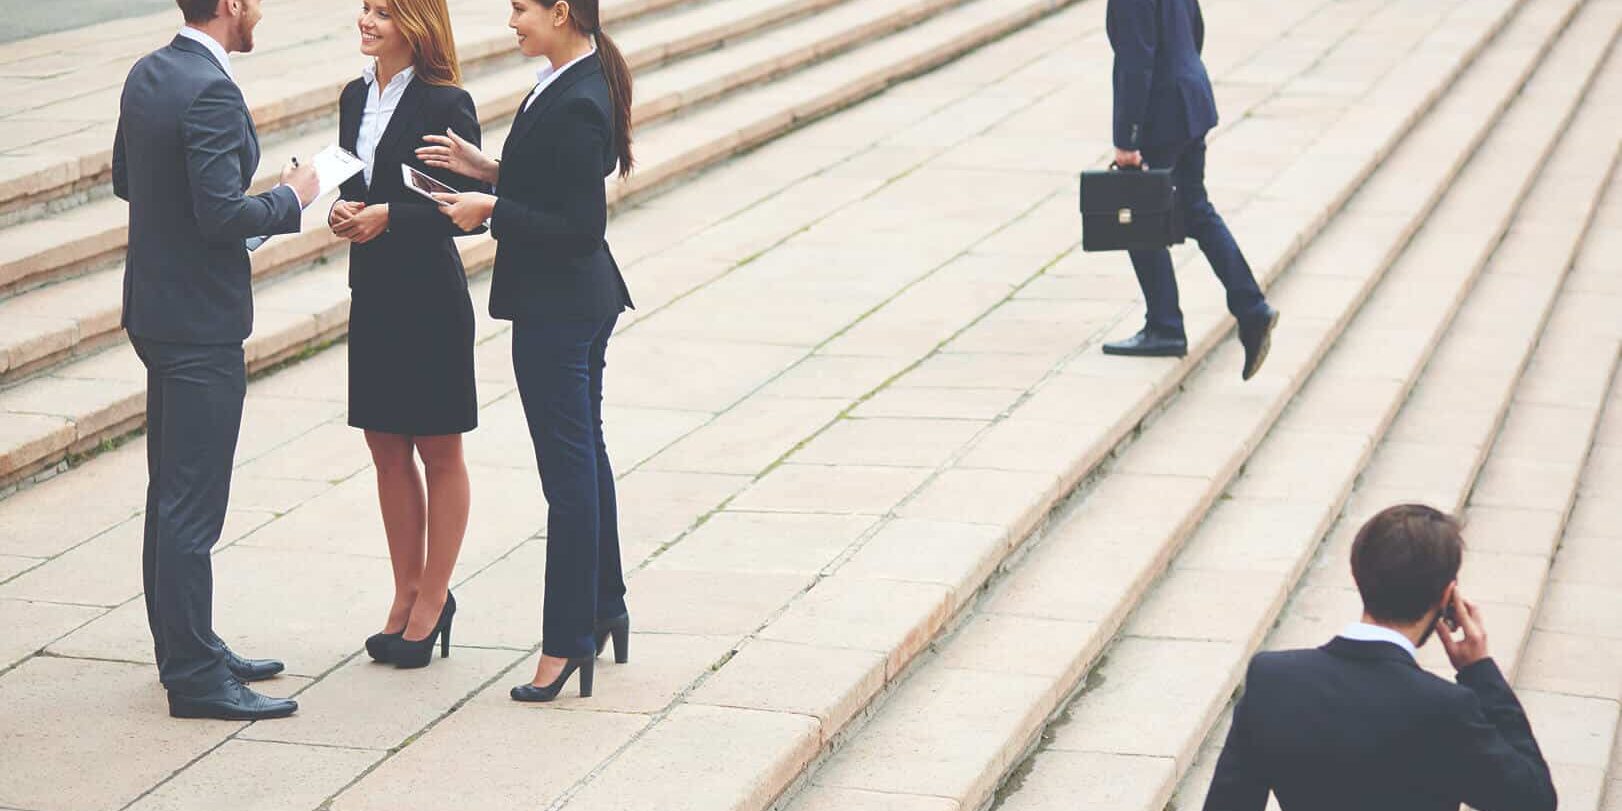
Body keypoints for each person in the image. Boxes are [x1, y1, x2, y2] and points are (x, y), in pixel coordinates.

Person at [420, 0, 634, 702]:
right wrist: (488, 169)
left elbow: (577, 224)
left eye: (520, 8)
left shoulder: (578, 97)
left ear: (560, 11)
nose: (511, 20)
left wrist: (490, 212)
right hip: (576, 300)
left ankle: (567, 642)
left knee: (567, 478)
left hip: (561, 307)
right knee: (587, 460)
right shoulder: (566, 77)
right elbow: (555, 183)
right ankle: (604, 606)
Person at [113, 0, 320, 719]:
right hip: (199, 324)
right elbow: (221, 216)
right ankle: (196, 678)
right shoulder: (209, 88)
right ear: (230, 5)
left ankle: (186, 644)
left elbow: (127, 180)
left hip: (157, 310)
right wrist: (292, 197)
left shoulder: (149, 72)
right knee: (191, 504)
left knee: (170, 491)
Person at [1203, 504, 1557, 811]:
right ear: (1448, 595)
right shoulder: (1446, 708)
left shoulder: (1272, 679)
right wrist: (1479, 671)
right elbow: (1533, 800)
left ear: (1358, 574)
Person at [327, 0, 487, 670]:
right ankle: (405, 593)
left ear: (417, 25)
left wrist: (392, 215)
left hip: (428, 297)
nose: (368, 21)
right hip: (375, 295)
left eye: (385, 13)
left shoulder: (447, 103)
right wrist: (339, 207)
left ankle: (434, 596)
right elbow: (350, 178)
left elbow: (464, 215)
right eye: (366, 8)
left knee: (437, 448)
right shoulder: (351, 97)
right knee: (386, 448)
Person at [1102, 0, 1278, 381]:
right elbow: (1195, 28)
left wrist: (1127, 140)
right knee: (1196, 208)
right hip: (1190, 97)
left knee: (1138, 213)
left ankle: (1165, 326)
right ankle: (1252, 308)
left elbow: (1136, 62)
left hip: (1162, 108)